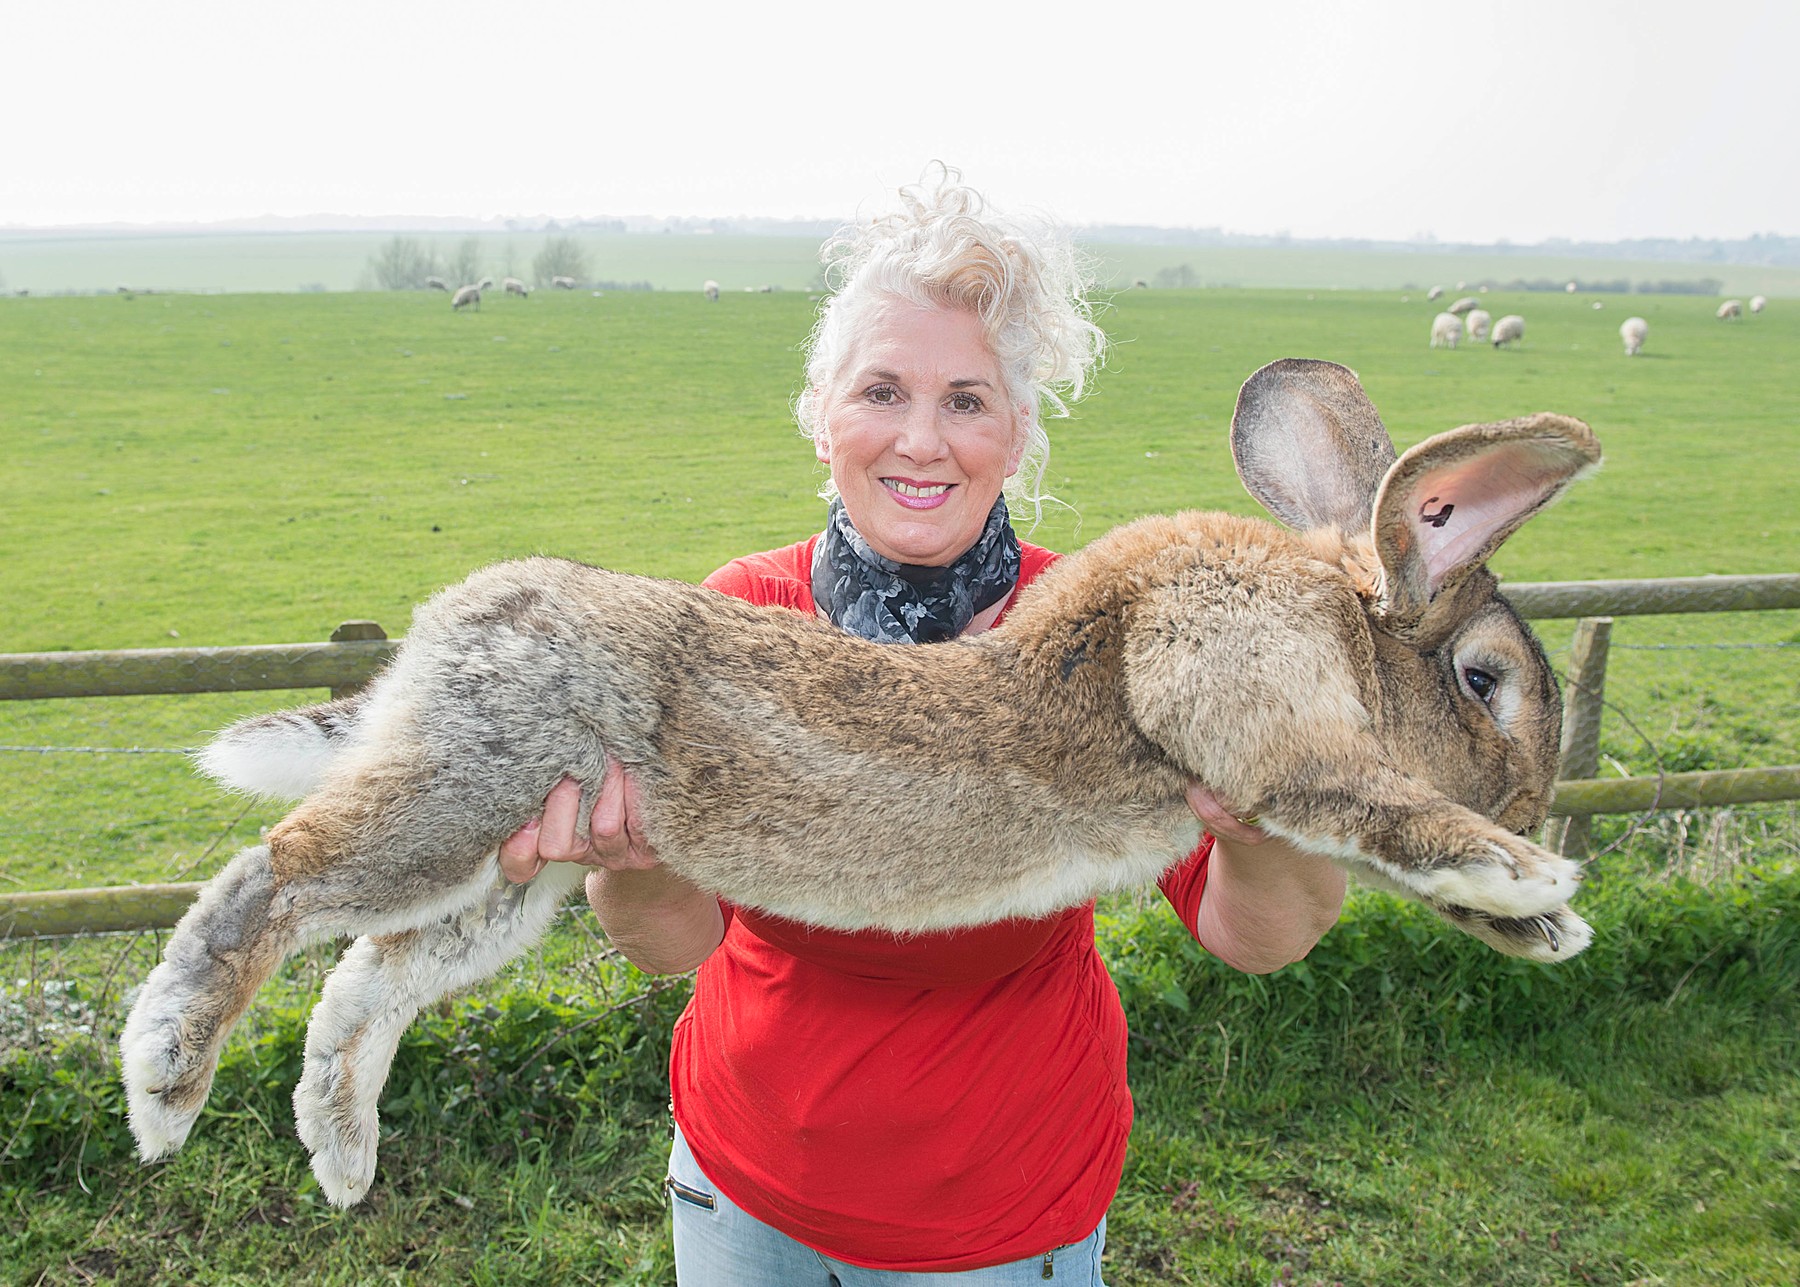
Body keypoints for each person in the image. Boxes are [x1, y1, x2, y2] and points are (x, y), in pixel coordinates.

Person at [498, 167, 1347, 1284]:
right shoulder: (736, 618)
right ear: (823, 419)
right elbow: (670, 949)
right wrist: (633, 862)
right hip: (744, 1199)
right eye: (882, 392)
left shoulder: (1114, 635)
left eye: (965, 401)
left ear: (1016, 434)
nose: (920, 441)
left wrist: (1260, 820)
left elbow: (1261, 938)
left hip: (1004, 1222)